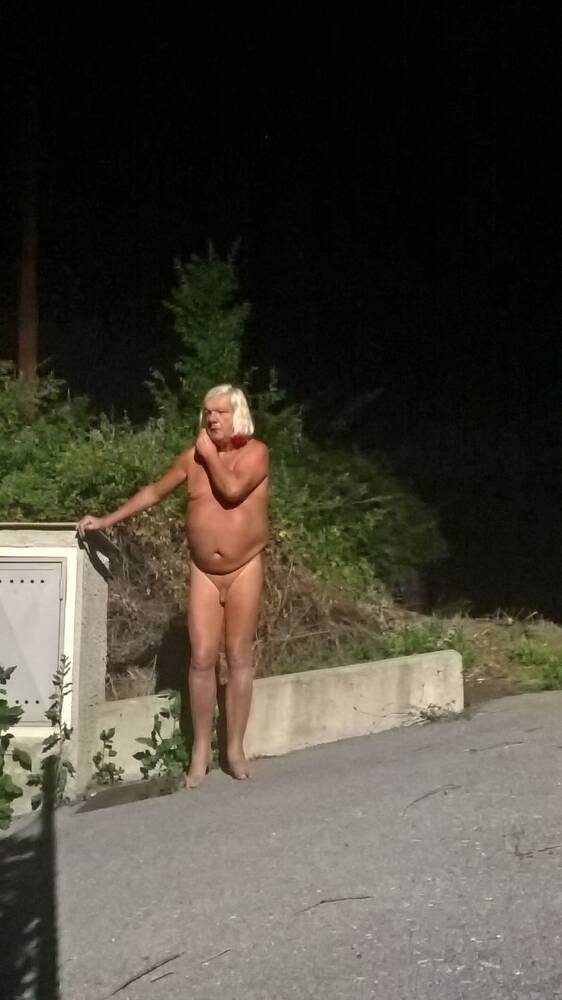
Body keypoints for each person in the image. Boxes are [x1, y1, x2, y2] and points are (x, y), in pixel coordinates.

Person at [77, 384, 269, 787]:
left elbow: (233, 489)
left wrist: (209, 455)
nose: (211, 419)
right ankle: (200, 749)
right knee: (201, 658)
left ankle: (234, 749)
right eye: (207, 412)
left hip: (245, 566)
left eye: (220, 412)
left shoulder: (256, 453)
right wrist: (106, 520)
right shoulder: (191, 459)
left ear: (238, 414)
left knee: (238, 656)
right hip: (204, 570)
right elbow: (153, 492)